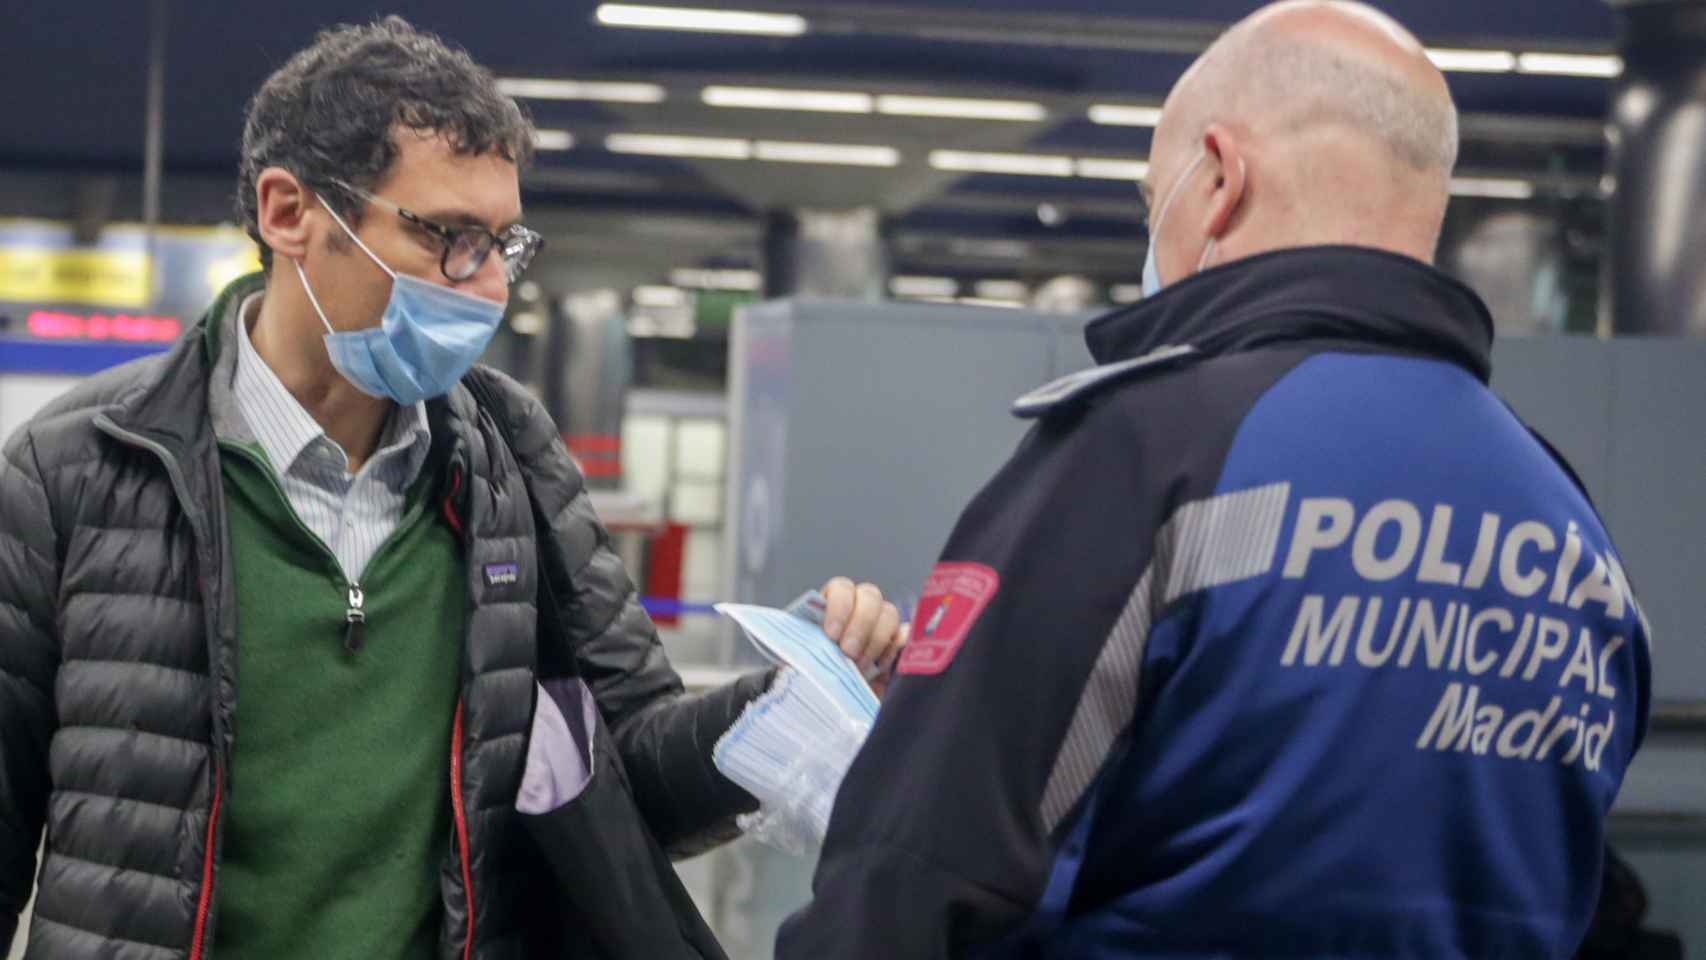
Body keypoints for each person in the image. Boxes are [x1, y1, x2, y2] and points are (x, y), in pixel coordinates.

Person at [0, 17, 903, 959]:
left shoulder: (509, 457)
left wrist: (781, 702)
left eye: (504, 247)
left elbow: (633, 779)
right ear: (288, 213)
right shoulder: (82, 469)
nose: (485, 289)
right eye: (449, 238)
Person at [778, 2, 1652, 957]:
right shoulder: (1568, 524)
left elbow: (912, 879)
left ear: (1222, 178)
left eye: (1156, 203)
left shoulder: (1140, 456)